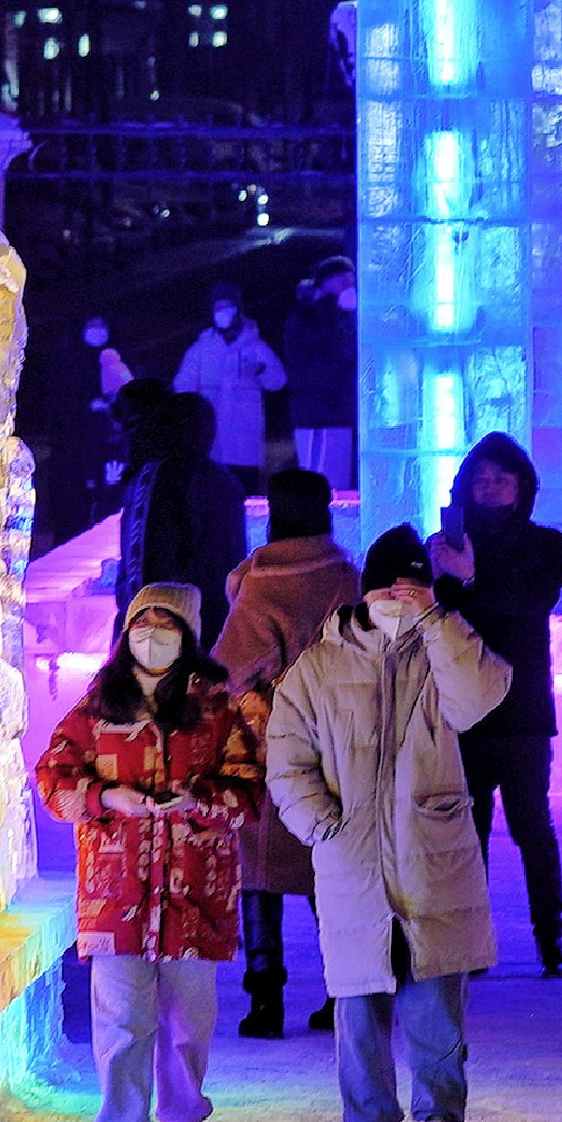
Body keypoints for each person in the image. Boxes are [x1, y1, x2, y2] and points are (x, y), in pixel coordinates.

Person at [264, 525, 511, 1122]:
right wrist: (318, 822)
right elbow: (286, 752)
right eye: (388, 586)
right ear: (365, 590)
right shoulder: (319, 665)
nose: (396, 598)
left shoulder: (444, 650)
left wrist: (437, 618)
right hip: (352, 865)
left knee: (435, 1010)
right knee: (358, 1014)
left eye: (411, 587)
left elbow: (480, 696)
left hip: (433, 860)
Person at [34, 584, 266, 1122]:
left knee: (189, 1019)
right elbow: (54, 775)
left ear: (188, 635)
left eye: (167, 626)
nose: (153, 636)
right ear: (125, 632)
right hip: (116, 897)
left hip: (197, 894)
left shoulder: (217, 710)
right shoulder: (97, 706)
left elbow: (248, 788)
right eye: (143, 624)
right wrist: (107, 797)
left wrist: (201, 801)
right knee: (121, 1020)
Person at [218, 467, 358, 1039]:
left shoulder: (261, 584)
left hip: (270, 737)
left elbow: (230, 665)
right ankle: (340, 993)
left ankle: (265, 1000)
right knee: (331, 867)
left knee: (260, 871)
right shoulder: (345, 575)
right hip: (337, 735)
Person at [433, 431, 562, 976]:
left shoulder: (548, 546)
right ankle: (472, 944)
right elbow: (437, 616)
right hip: (462, 710)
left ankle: (550, 940)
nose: (490, 488)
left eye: (502, 478)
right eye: (481, 479)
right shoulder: (442, 543)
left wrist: (468, 578)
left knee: (531, 826)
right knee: (468, 833)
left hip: (522, 711)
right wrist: (449, 575)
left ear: (522, 487)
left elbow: (529, 603)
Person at [108, 375, 244, 655]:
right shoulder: (219, 480)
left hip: (160, 633)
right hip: (206, 627)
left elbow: (140, 568)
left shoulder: (155, 478)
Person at [172, 283, 286, 475]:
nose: (222, 312)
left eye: (228, 306)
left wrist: (261, 371)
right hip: (211, 448)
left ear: (238, 310)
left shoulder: (256, 347)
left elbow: (278, 381)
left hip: (244, 448)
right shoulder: (201, 349)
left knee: (244, 498)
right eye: (218, 308)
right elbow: (182, 387)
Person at [284, 260, 358, 490]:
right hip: (318, 414)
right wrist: (338, 314)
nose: (348, 287)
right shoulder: (308, 317)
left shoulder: (344, 315)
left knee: (336, 480)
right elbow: (321, 358)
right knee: (319, 482)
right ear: (326, 283)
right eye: (342, 281)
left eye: (351, 282)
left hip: (339, 412)